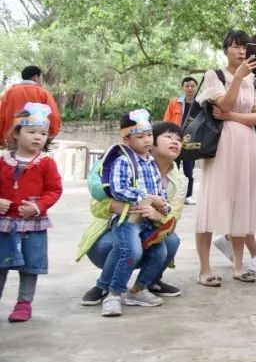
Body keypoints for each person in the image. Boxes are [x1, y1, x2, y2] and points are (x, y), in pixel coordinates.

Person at [77, 121, 186, 307]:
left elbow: (172, 217)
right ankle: (106, 287)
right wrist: (117, 205)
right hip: (117, 227)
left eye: (179, 139)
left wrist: (157, 215)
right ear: (152, 143)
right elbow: (96, 204)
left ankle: (146, 284)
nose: (175, 141)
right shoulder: (126, 163)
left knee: (170, 241)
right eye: (168, 137)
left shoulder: (180, 180)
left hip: (149, 225)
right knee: (127, 247)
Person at [193, 30, 256, 287]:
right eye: (236, 46)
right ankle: (205, 269)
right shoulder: (214, 75)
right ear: (226, 49)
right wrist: (237, 78)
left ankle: (238, 266)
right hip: (221, 147)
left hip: (247, 147)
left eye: (245, 47)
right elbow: (224, 103)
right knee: (211, 204)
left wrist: (231, 117)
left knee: (241, 205)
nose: (241, 51)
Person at [210, 32, 256, 275]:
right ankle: (253, 253)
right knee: (250, 199)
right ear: (254, 48)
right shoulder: (249, 76)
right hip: (242, 139)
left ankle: (231, 236)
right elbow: (251, 108)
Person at [97, 110, 171, 317]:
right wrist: (147, 197)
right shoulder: (123, 160)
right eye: (140, 136)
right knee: (131, 252)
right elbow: (118, 189)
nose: (147, 140)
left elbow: (160, 190)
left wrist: (164, 205)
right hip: (128, 219)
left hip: (148, 219)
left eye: (149, 135)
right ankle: (113, 294)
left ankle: (138, 290)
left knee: (160, 252)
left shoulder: (151, 162)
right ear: (126, 139)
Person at [0, 103, 62, 322]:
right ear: (16, 133)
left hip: (33, 223)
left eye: (43, 133)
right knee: (1, 262)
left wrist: (38, 207)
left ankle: (24, 303)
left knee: (30, 264)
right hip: (4, 223)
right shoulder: (2, 161)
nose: (38, 137)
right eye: (32, 131)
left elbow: (54, 190)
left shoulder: (46, 164)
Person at [0, 65, 62, 142]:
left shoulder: (9, 92)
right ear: (35, 77)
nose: (41, 81)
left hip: (11, 139)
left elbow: (1, 117)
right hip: (35, 141)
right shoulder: (43, 93)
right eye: (41, 78)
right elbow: (54, 117)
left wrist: (2, 140)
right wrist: (48, 136)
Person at [163, 76, 199, 204]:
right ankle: (171, 194)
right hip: (176, 139)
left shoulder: (200, 103)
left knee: (189, 170)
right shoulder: (175, 102)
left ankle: (188, 196)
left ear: (196, 87)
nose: (190, 88)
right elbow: (167, 120)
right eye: (187, 86)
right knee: (173, 168)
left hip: (191, 141)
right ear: (183, 88)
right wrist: (167, 136)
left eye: (192, 86)